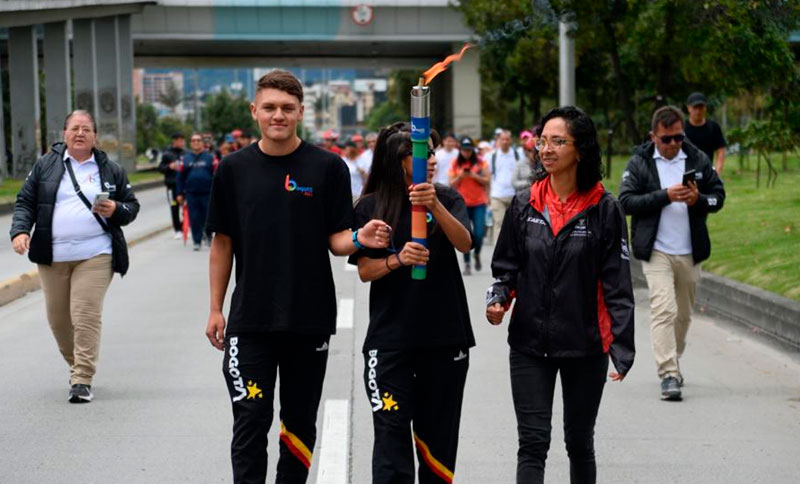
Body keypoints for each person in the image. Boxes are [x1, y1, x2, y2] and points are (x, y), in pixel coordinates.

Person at [204, 69, 390, 484]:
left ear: (301, 112)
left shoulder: (327, 167)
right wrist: (216, 308)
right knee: (251, 418)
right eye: (269, 107)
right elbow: (223, 243)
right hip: (249, 320)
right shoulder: (233, 169)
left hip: (308, 320)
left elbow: (338, 239)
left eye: (287, 108)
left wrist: (361, 236)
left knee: (299, 423)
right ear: (254, 111)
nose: (278, 115)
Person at [486, 106, 634, 484]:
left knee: (579, 442)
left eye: (558, 141)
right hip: (528, 345)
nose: (546, 149)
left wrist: (621, 344)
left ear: (580, 149)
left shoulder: (605, 209)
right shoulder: (524, 204)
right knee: (532, 444)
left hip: (584, 346)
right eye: (542, 141)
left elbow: (617, 283)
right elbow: (506, 267)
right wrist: (499, 297)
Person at [349, 121, 474, 484]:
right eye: (420, 153)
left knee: (437, 446)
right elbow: (365, 271)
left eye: (433, 151)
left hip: (445, 338)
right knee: (391, 441)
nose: (431, 159)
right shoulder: (371, 206)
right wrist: (398, 260)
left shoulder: (447, 197)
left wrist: (434, 202)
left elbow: (465, 243)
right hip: (390, 343)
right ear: (395, 159)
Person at [10, 109, 140, 404]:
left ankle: (82, 378)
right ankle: (76, 363)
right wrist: (20, 231)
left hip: (95, 253)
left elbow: (131, 207)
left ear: (95, 136)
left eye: (86, 129)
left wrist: (116, 210)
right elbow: (25, 201)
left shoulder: (110, 169)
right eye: (74, 128)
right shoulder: (45, 165)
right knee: (58, 319)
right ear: (64, 134)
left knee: (84, 315)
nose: (80, 133)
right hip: (52, 254)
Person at [618, 105, 725, 401]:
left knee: (683, 316)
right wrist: (664, 196)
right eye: (667, 139)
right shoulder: (640, 162)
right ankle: (668, 373)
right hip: (656, 251)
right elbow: (625, 202)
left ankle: (673, 358)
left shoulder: (698, 159)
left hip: (690, 251)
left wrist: (698, 199)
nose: (674, 144)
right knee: (664, 309)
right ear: (654, 136)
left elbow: (719, 197)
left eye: (678, 137)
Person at [448, 136, 490, 275]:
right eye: (464, 150)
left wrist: (473, 175)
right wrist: (460, 176)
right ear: (460, 150)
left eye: (469, 150)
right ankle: (467, 263)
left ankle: (476, 253)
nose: (467, 153)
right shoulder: (455, 163)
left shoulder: (481, 162)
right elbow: (451, 184)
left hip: (479, 202)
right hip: (462, 203)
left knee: (478, 234)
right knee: (466, 234)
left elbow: (487, 180)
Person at [177, 133, 216, 251]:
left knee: (207, 217)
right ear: (190, 143)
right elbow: (179, 177)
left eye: (198, 140)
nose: (196, 142)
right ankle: (197, 241)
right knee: (194, 217)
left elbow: (217, 175)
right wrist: (179, 193)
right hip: (191, 193)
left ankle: (208, 236)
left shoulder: (210, 158)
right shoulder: (185, 159)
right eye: (193, 140)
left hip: (207, 192)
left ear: (202, 143)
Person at [684, 92, 727, 174]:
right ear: (689, 108)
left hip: (707, 172)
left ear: (705, 108)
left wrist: (717, 172)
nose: (698, 111)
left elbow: (720, 150)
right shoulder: (682, 128)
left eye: (701, 107)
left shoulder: (713, 127)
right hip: (686, 172)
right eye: (695, 108)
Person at [489, 129, 519, 244]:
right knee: (499, 223)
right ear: (498, 140)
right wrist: (487, 196)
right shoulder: (492, 156)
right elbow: (488, 176)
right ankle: (499, 250)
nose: (505, 141)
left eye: (507, 139)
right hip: (497, 195)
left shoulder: (517, 154)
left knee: (514, 225)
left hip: (514, 195)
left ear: (511, 140)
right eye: (502, 139)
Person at [158, 132, 186, 239]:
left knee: (186, 208)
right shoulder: (167, 154)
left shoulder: (186, 153)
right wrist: (169, 167)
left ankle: (185, 227)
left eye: (183, 141)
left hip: (184, 186)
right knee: (174, 207)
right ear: (174, 141)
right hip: (171, 186)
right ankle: (177, 229)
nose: (182, 143)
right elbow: (160, 168)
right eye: (179, 141)